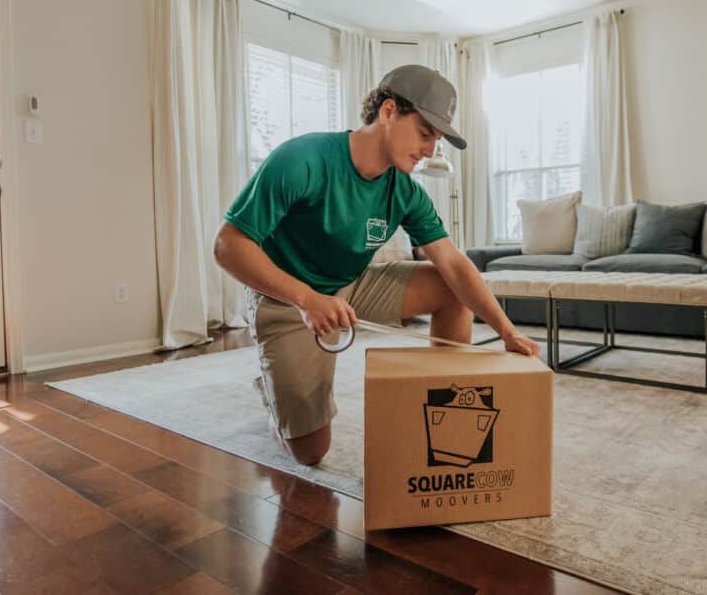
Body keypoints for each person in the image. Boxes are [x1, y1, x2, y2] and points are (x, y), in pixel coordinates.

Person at [214, 64, 539, 466]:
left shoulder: (405, 191)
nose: (429, 151)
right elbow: (228, 246)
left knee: (447, 286)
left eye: (435, 140)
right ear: (388, 112)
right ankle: (274, 398)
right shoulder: (303, 159)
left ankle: (445, 415)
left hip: (353, 284)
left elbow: (453, 263)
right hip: (286, 299)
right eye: (424, 134)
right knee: (311, 453)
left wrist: (505, 330)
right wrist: (305, 298)